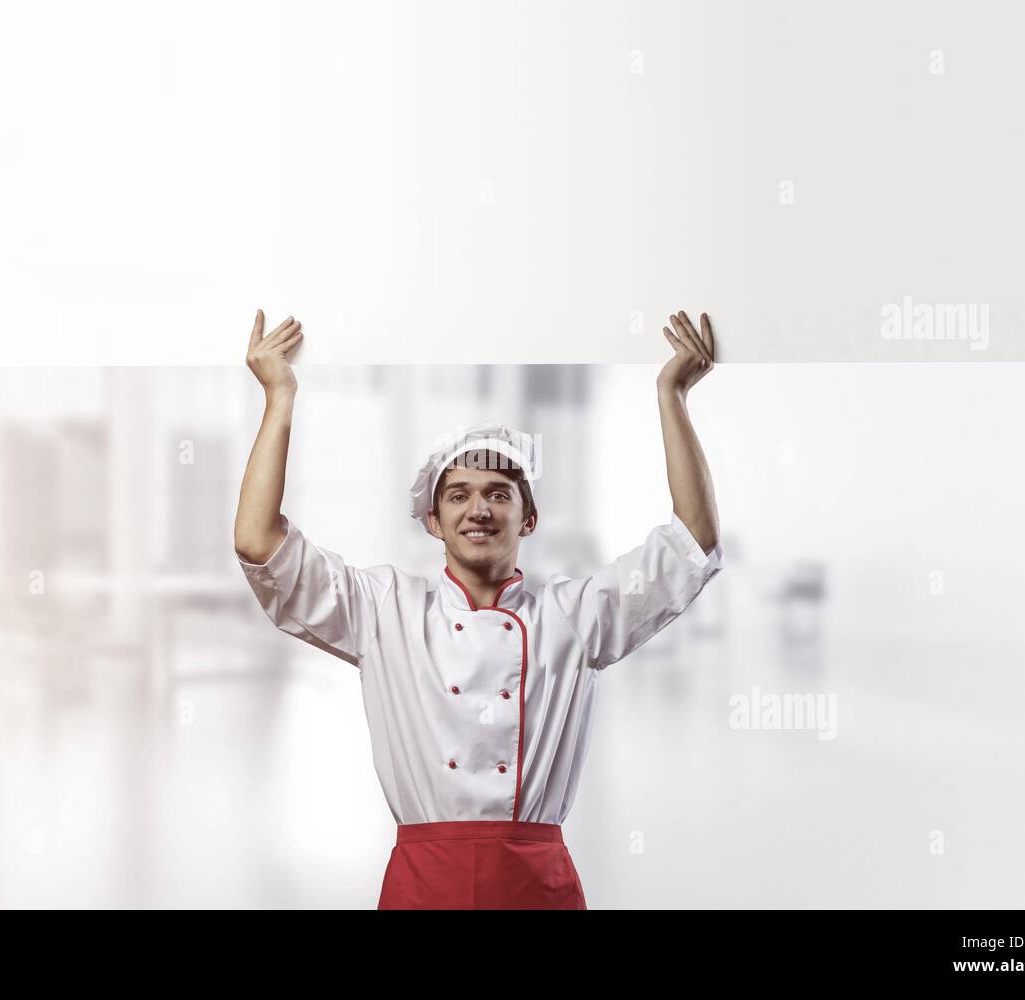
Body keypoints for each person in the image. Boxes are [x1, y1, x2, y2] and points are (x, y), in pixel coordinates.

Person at [233, 309, 724, 909]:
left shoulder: (572, 615)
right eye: (459, 495)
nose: (480, 510)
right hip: (424, 880)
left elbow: (693, 541)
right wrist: (279, 394)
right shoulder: (386, 608)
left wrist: (671, 394)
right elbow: (258, 541)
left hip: (534, 883)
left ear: (529, 517)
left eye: (499, 494)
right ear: (434, 521)